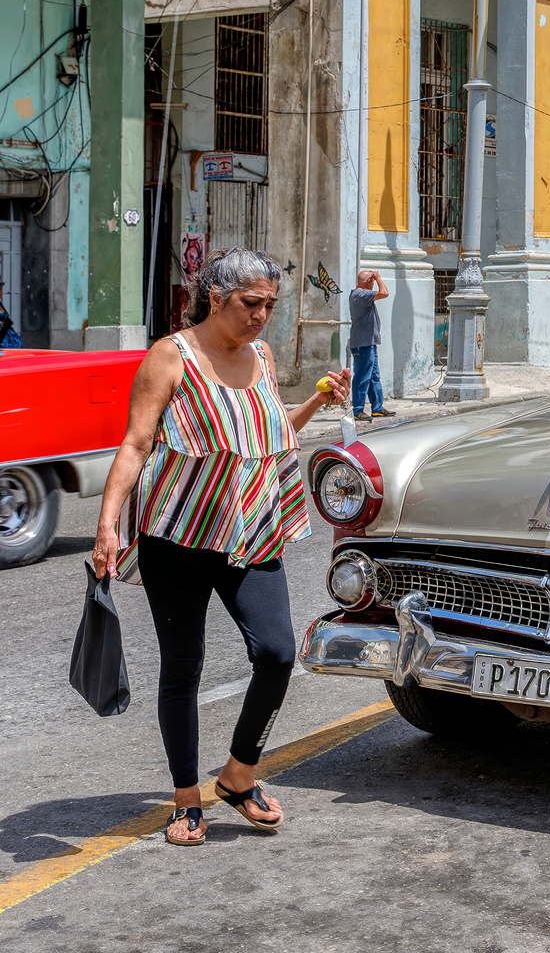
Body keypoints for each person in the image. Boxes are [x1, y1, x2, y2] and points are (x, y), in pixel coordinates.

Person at [92, 247, 350, 847]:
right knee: (183, 667)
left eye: (270, 305)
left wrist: (315, 402)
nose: (262, 316)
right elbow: (135, 443)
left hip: (250, 530)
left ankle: (238, 774)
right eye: (250, 304)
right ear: (216, 297)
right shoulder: (170, 357)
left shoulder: (259, 355)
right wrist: (108, 525)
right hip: (177, 536)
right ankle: (186, 800)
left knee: (279, 652)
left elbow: (261, 430)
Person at [348, 269, 391, 421]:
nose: (374, 283)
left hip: (369, 343)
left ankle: (377, 408)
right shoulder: (360, 294)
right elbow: (384, 293)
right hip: (363, 344)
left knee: (373, 376)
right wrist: (379, 277)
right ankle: (358, 410)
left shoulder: (362, 295)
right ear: (368, 281)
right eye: (372, 281)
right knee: (362, 377)